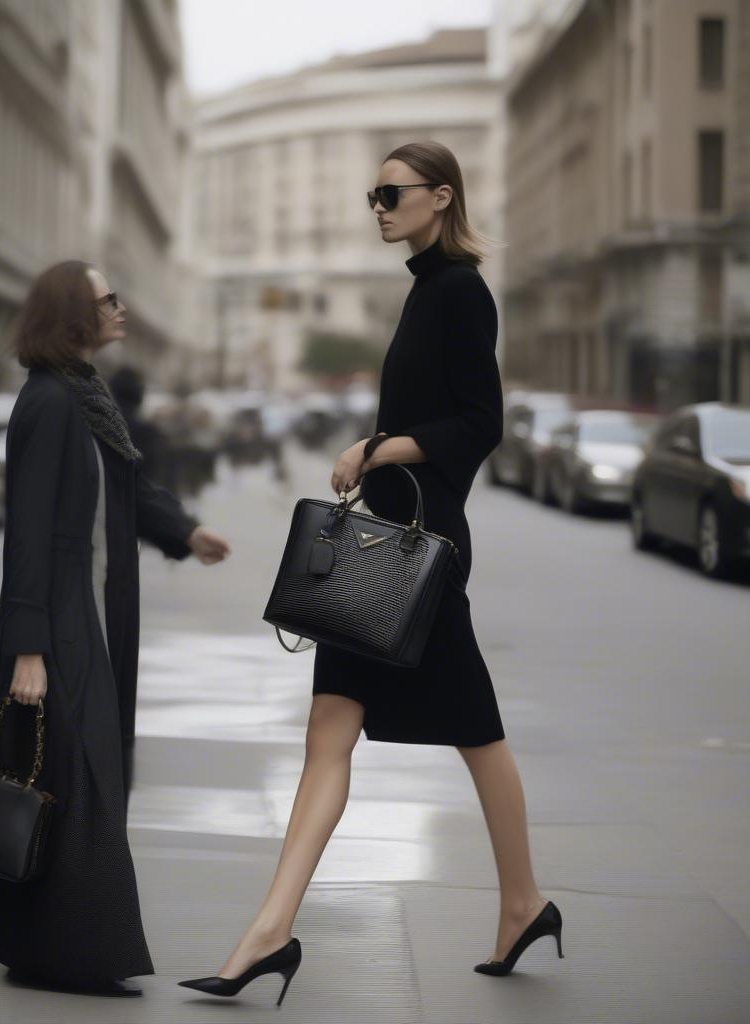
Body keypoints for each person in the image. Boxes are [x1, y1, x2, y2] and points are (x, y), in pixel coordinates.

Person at [179, 141, 563, 1004]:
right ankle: (271, 930)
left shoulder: (460, 292)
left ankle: (522, 900)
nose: (378, 207)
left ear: (440, 196)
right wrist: (378, 446)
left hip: (420, 552)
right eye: (372, 195)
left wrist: (374, 447)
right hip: (383, 548)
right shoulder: (425, 289)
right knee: (332, 731)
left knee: (476, 728)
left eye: (391, 193)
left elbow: (479, 423)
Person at [0, 259, 231, 996]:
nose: (121, 310)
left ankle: (37, 938)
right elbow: (26, 532)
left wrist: (183, 531)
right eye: (108, 300)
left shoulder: (87, 396)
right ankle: (78, 951)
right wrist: (27, 649)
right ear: (75, 315)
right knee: (85, 769)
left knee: (64, 770)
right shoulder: (48, 403)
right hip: (56, 617)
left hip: (92, 609)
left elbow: (128, 482)